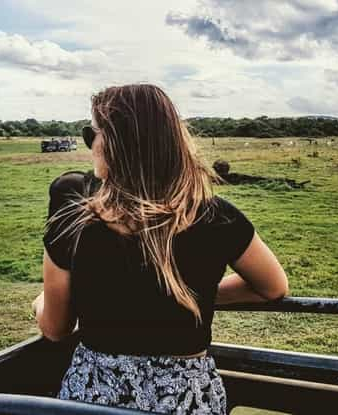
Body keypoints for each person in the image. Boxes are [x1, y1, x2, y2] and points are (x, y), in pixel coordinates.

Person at [32, 84, 289, 414]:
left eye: (91, 134)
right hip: (188, 400)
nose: (91, 145)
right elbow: (273, 287)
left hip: (94, 398)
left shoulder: (73, 222)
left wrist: (40, 302)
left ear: (116, 143)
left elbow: (55, 329)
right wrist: (196, 294)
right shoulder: (216, 215)